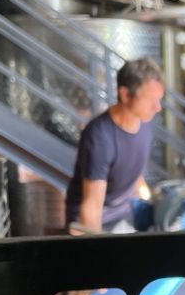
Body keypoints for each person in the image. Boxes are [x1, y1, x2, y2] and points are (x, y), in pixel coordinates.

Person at [65, 57, 165, 232]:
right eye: (150, 100)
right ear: (125, 95)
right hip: (96, 223)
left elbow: (135, 175)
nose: (158, 108)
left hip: (125, 215)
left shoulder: (144, 122)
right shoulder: (100, 137)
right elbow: (91, 208)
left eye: (159, 100)